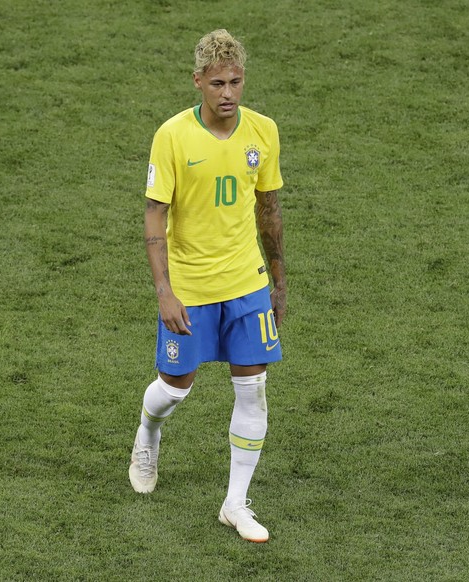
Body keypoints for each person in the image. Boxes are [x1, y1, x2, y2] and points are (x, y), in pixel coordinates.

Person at [129, 29, 286, 543]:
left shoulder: (263, 133)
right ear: (197, 81)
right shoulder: (172, 135)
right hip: (191, 288)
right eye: (217, 82)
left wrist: (279, 282)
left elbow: (269, 211)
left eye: (236, 82)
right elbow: (155, 216)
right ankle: (148, 432)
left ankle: (235, 504)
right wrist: (164, 291)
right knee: (176, 389)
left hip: (247, 283)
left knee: (254, 389)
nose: (227, 93)